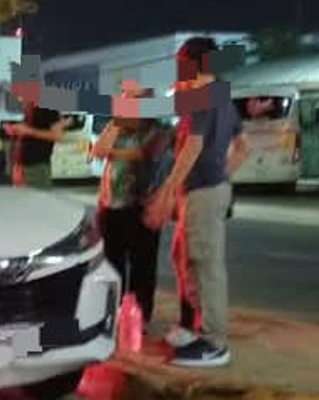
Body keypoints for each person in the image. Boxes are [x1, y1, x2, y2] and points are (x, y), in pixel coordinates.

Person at [145, 37, 250, 368]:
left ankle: (214, 342)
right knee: (185, 257)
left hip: (202, 192)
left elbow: (191, 147)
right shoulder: (220, 95)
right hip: (207, 190)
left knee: (205, 263)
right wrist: (221, 178)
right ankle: (197, 327)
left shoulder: (200, 96)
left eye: (181, 60)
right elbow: (243, 146)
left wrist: (165, 194)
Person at [91, 87, 167, 325]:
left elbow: (141, 153)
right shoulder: (117, 127)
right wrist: (115, 122)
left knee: (143, 265)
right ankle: (111, 314)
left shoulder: (157, 131)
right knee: (110, 264)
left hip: (141, 206)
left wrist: (113, 152)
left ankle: (140, 315)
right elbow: (98, 150)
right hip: (111, 206)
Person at [4, 103, 70, 189]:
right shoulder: (30, 108)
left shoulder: (47, 108)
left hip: (37, 167)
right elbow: (27, 132)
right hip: (23, 167)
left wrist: (29, 131)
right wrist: (16, 130)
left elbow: (58, 136)